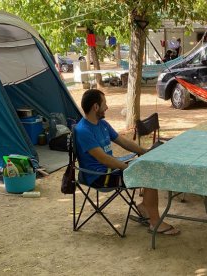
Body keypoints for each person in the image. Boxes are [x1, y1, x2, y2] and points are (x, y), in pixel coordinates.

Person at [75, 89, 180, 235]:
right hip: (99, 177)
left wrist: (145, 152)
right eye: (104, 103)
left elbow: (123, 142)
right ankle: (155, 223)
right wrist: (129, 168)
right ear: (96, 107)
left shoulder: (102, 124)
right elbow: (104, 159)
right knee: (148, 174)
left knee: (147, 163)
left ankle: (144, 206)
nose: (107, 107)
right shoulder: (83, 131)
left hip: (111, 169)